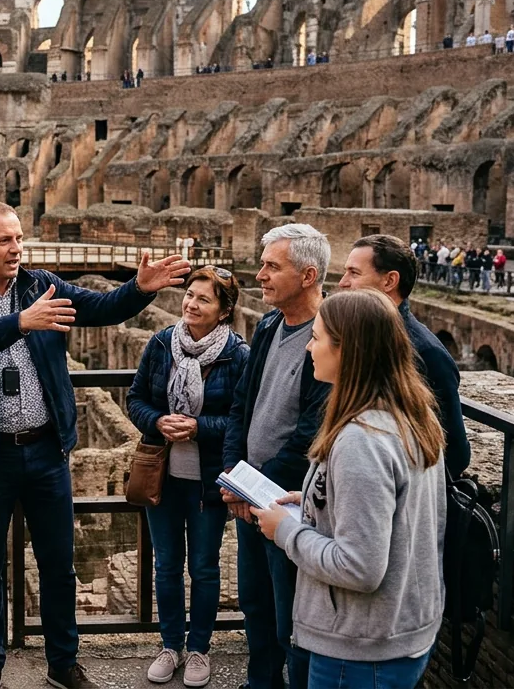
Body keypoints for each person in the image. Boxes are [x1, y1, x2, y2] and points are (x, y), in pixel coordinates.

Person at [0, 201, 190, 689]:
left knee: (58, 563)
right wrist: (20, 323)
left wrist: (138, 289)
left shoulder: (39, 282)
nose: (16, 248)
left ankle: (63, 663)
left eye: (19, 238)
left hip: (46, 451)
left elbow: (100, 309)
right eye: (4, 240)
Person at [249, 289, 447, 689]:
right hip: (397, 629)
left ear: (348, 351)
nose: (308, 346)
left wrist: (285, 531)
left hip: (360, 647)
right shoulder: (410, 414)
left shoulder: (362, 440)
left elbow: (359, 567)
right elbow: (393, 510)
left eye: (318, 337)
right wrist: (314, 501)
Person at [221, 224, 333, 689]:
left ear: (308, 276)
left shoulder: (331, 337)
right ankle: (260, 682)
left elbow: (312, 431)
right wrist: (232, 474)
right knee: (257, 604)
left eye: (271, 266)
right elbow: (242, 404)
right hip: (251, 495)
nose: (260, 274)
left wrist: (258, 490)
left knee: (293, 615)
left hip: (291, 503)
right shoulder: (268, 326)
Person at [127, 266, 250, 687]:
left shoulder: (238, 355)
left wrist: (200, 428)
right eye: (190, 295)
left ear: (223, 311)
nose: (191, 304)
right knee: (165, 566)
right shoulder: (162, 343)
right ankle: (169, 645)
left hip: (208, 478)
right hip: (163, 473)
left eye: (204, 299)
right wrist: (159, 420)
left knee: (204, 566)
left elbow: (240, 419)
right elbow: (136, 398)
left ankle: (198, 649)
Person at [336, 235, 470, 478]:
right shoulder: (362, 337)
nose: (343, 282)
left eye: (354, 273)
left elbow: (454, 453)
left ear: (389, 281)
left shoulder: (426, 354)